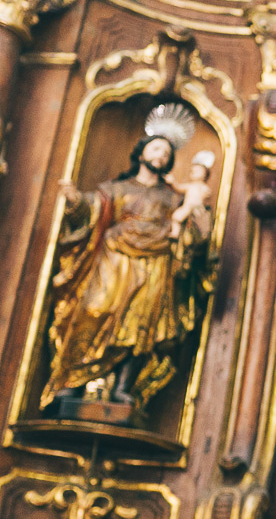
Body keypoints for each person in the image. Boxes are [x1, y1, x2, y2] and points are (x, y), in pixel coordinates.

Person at [42, 109, 213, 413]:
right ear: (142, 151)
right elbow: (95, 209)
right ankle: (73, 382)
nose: (160, 155)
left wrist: (197, 222)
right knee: (95, 309)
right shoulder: (117, 188)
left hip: (155, 263)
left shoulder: (171, 197)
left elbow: (189, 230)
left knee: (141, 325)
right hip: (114, 259)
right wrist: (75, 201)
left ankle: (122, 389)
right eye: (156, 148)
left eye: (166, 152)